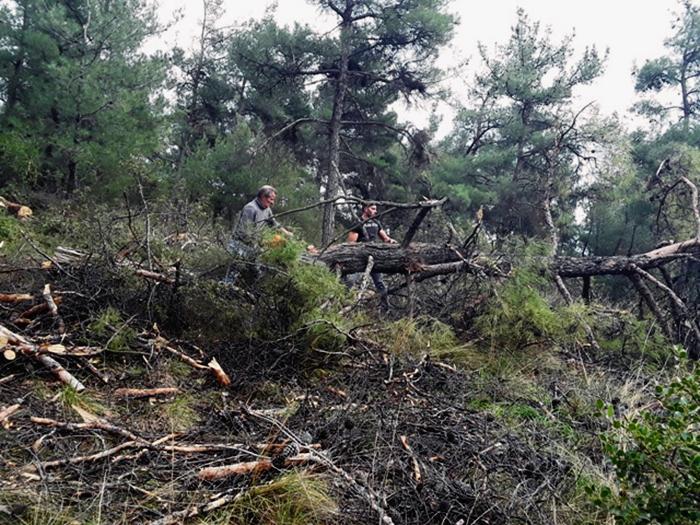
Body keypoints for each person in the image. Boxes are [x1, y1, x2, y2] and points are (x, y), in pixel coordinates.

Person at [225, 185, 292, 282]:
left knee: (255, 274)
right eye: (271, 199)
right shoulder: (251, 209)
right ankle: (224, 289)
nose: (272, 202)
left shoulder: (267, 209)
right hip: (239, 246)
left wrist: (286, 233)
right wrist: (264, 242)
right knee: (233, 274)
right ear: (263, 196)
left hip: (252, 247)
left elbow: (273, 223)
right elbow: (245, 233)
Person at [346, 203, 397, 308]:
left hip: (373, 257)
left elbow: (385, 238)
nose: (375, 211)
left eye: (376, 209)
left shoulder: (376, 223)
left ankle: (385, 307)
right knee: (350, 281)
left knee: (379, 282)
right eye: (373, 209)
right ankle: (343, 301)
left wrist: (391, 241)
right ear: (365, 209)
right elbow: (350, 244)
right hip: (359, 258)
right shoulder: (358, 222)